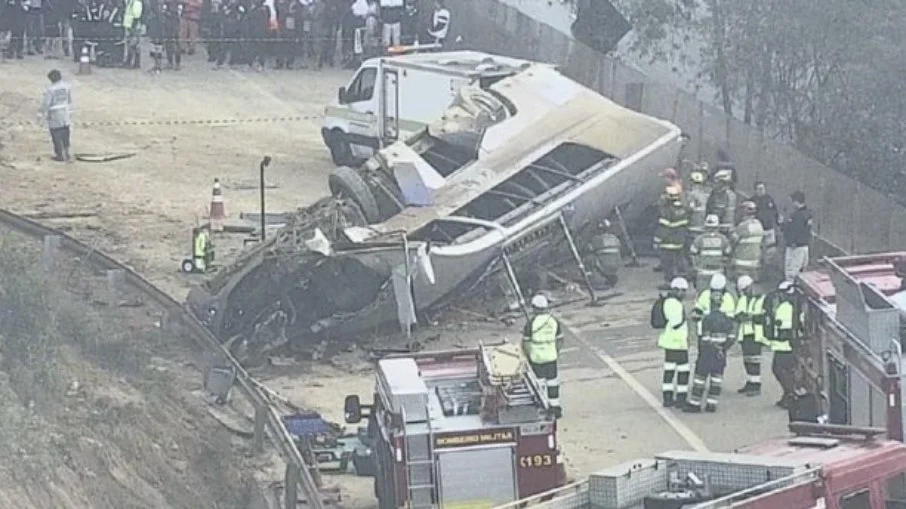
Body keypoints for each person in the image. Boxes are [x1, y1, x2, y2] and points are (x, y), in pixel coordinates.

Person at [684, 286, 736, 413]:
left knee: (700, 379)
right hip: (721, 355)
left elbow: (705, 339)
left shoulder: (707, 319)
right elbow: (731, 337)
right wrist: (722, 348)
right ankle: (711, 404)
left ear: (711, 303)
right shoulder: (727, 320)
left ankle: (695, 404)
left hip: (708, 354)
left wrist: (713, 348)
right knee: (716, 379)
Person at [522, 294, 563, 418]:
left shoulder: (531, 323)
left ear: (534, 308)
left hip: (536, 358)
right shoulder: (553, 321)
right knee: (553, 383)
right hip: (551, 356)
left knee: (539, 384)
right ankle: (555, 408)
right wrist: (555, 351)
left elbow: (526, 343)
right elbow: (560, 340)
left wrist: (527, 356)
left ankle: (542, 408)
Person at [763, 280, 802, 408]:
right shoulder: (790, 305)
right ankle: (788, 394)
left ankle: (790, 395)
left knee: (780, 370)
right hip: (786, 345)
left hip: (785, 346)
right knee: (784, 371)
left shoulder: (787, 307)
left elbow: (785, 328)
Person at [655, 277, 691, 408]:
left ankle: (668, 398)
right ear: (677, 290)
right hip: (677, 343)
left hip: (670, 342)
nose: (685, 294)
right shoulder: (674, 304)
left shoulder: (667, 301)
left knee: (669, 370)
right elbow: (676, 323)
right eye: (683, 291)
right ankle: (681, 399)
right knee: (683, 371)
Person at [734, 275, 768, 396]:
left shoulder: (761, 299)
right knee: (747, 360)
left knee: (754, 360)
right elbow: (738, 315)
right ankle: (750, 382)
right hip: (745, 333)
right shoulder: (743, 299)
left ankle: (756, 385)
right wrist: (749, 316)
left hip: (756, 334)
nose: (746, 292)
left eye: (746, 288)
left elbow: (763, 316)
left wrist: (749, 317)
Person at [654, 184, 690, 286]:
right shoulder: (683, 209)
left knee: (668, 264)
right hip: (679, 241)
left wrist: (657, 240)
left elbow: (663, 228)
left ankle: (669, 282)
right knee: (679, 262)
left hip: (668, 243)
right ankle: (681, 280)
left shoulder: (666, 211)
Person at [37, 69, 73, 163]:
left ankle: (59, 154)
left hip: (54, 113)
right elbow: (69, 100)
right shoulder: (66, 87)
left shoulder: (51, 89)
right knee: (65, 132)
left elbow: (46, 103)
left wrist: (41, 113)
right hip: (65, 112)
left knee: (56, 134)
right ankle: (67, 152)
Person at [689, 214, 731, 291]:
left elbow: (693, 254)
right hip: (718, 271)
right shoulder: (723, 239)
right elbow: (728, 254)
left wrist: (695, 267)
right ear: (717, 226)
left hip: (703, 272)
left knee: (702, 295)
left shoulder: (699, 239)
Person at [781, 190, 813, 282]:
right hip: (805, 246)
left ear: (796, 201)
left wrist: (783, 224)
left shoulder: (797, 215)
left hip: (795, 248)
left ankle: (790, 292)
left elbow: (793, 230)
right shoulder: (808, 214)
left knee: (791, 272)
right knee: (802, 273)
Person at [692, 273, 735, 338]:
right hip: (706, 332)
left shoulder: (728, 298)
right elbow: (696, 313)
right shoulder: (705, 294)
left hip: (719, 334)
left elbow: (730, 319)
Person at [731, 201, 765, 282]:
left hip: (741, 263)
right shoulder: (759, 224)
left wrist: (731, 231)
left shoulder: (743, 226)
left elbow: (733, 240)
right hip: (754, 263)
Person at [586, 219, 622, 290]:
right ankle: (609, 276)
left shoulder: (596, 239)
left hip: (604, 266)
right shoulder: (615, 238)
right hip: (616, 265)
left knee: (589, 258)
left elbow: (589, 248)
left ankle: (592, 279)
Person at [752, 181, 779, 262]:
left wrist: (777, 222)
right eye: (759, 189)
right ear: (755, 190)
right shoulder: (752, 201)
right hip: (758, 229)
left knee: (770, 249)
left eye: (763, 188)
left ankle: (768, 265)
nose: (762, 190)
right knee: (757, 248)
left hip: (769, 229)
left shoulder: (769, 199)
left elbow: (775, 212)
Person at [686, 167, 711, 234]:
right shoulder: (704, 194)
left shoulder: (692, 195)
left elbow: (690, 209)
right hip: (703, 226)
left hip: (693, 226)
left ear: (692, 181)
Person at [161, 0, 183, 69]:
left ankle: (177, 63)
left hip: (174, 21)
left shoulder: (178, 3)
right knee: (169, 42)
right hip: (169, 22)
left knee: (175, 43)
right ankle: (171, 62)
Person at [122, 0, 143, 68]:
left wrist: (132, 27)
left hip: (133, 26)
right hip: (129, 25)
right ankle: (130, 61)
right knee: (130, 44)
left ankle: (135, 62)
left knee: (134, 45)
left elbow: (137, 15)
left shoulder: (136, 2)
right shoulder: (130, 2)